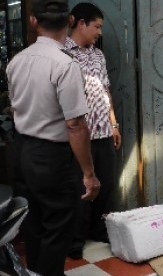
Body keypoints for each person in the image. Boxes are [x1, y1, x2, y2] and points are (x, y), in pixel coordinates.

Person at [6, 0, 100, 275]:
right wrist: (88, 173)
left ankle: (35, 271)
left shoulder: (16, 61)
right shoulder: (64, 65)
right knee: (57, 225)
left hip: (21, 150)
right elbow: (75, 125)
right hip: (49, 156)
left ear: (34, 21)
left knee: (32, 223)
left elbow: (15, 107)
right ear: (70, 21)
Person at [65, 2, 121, 259]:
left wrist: (114, 123)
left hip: (104, 132)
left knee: (106, 186)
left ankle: (100, 230)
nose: (99, 32)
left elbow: (105, 89)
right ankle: (75, 239)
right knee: (81, 188)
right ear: (80, 23)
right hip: (79, 135)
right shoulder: (64, 54)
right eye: (96, 26)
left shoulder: (98, 55)